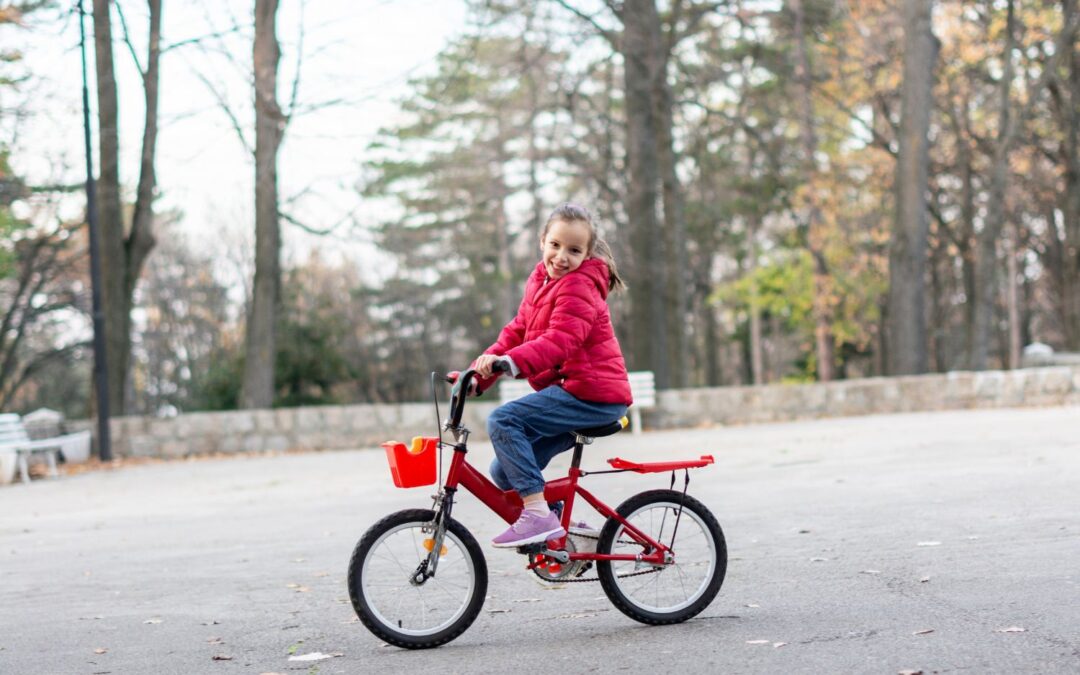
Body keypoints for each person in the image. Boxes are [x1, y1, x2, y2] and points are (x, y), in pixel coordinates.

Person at [465, 202, 633, 548]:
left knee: (503, 420)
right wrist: (477, 375)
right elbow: (517, 330)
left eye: (573, 250)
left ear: (586, 255)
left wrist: (512, 363)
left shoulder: (579, 287)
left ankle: (539, 516)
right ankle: (568, 535)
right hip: (574, 391)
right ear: (542, 240)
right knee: (503, 471)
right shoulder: (540, 281)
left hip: (593, 396)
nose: (561, 256)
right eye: (555, 245)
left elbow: (561, 341)